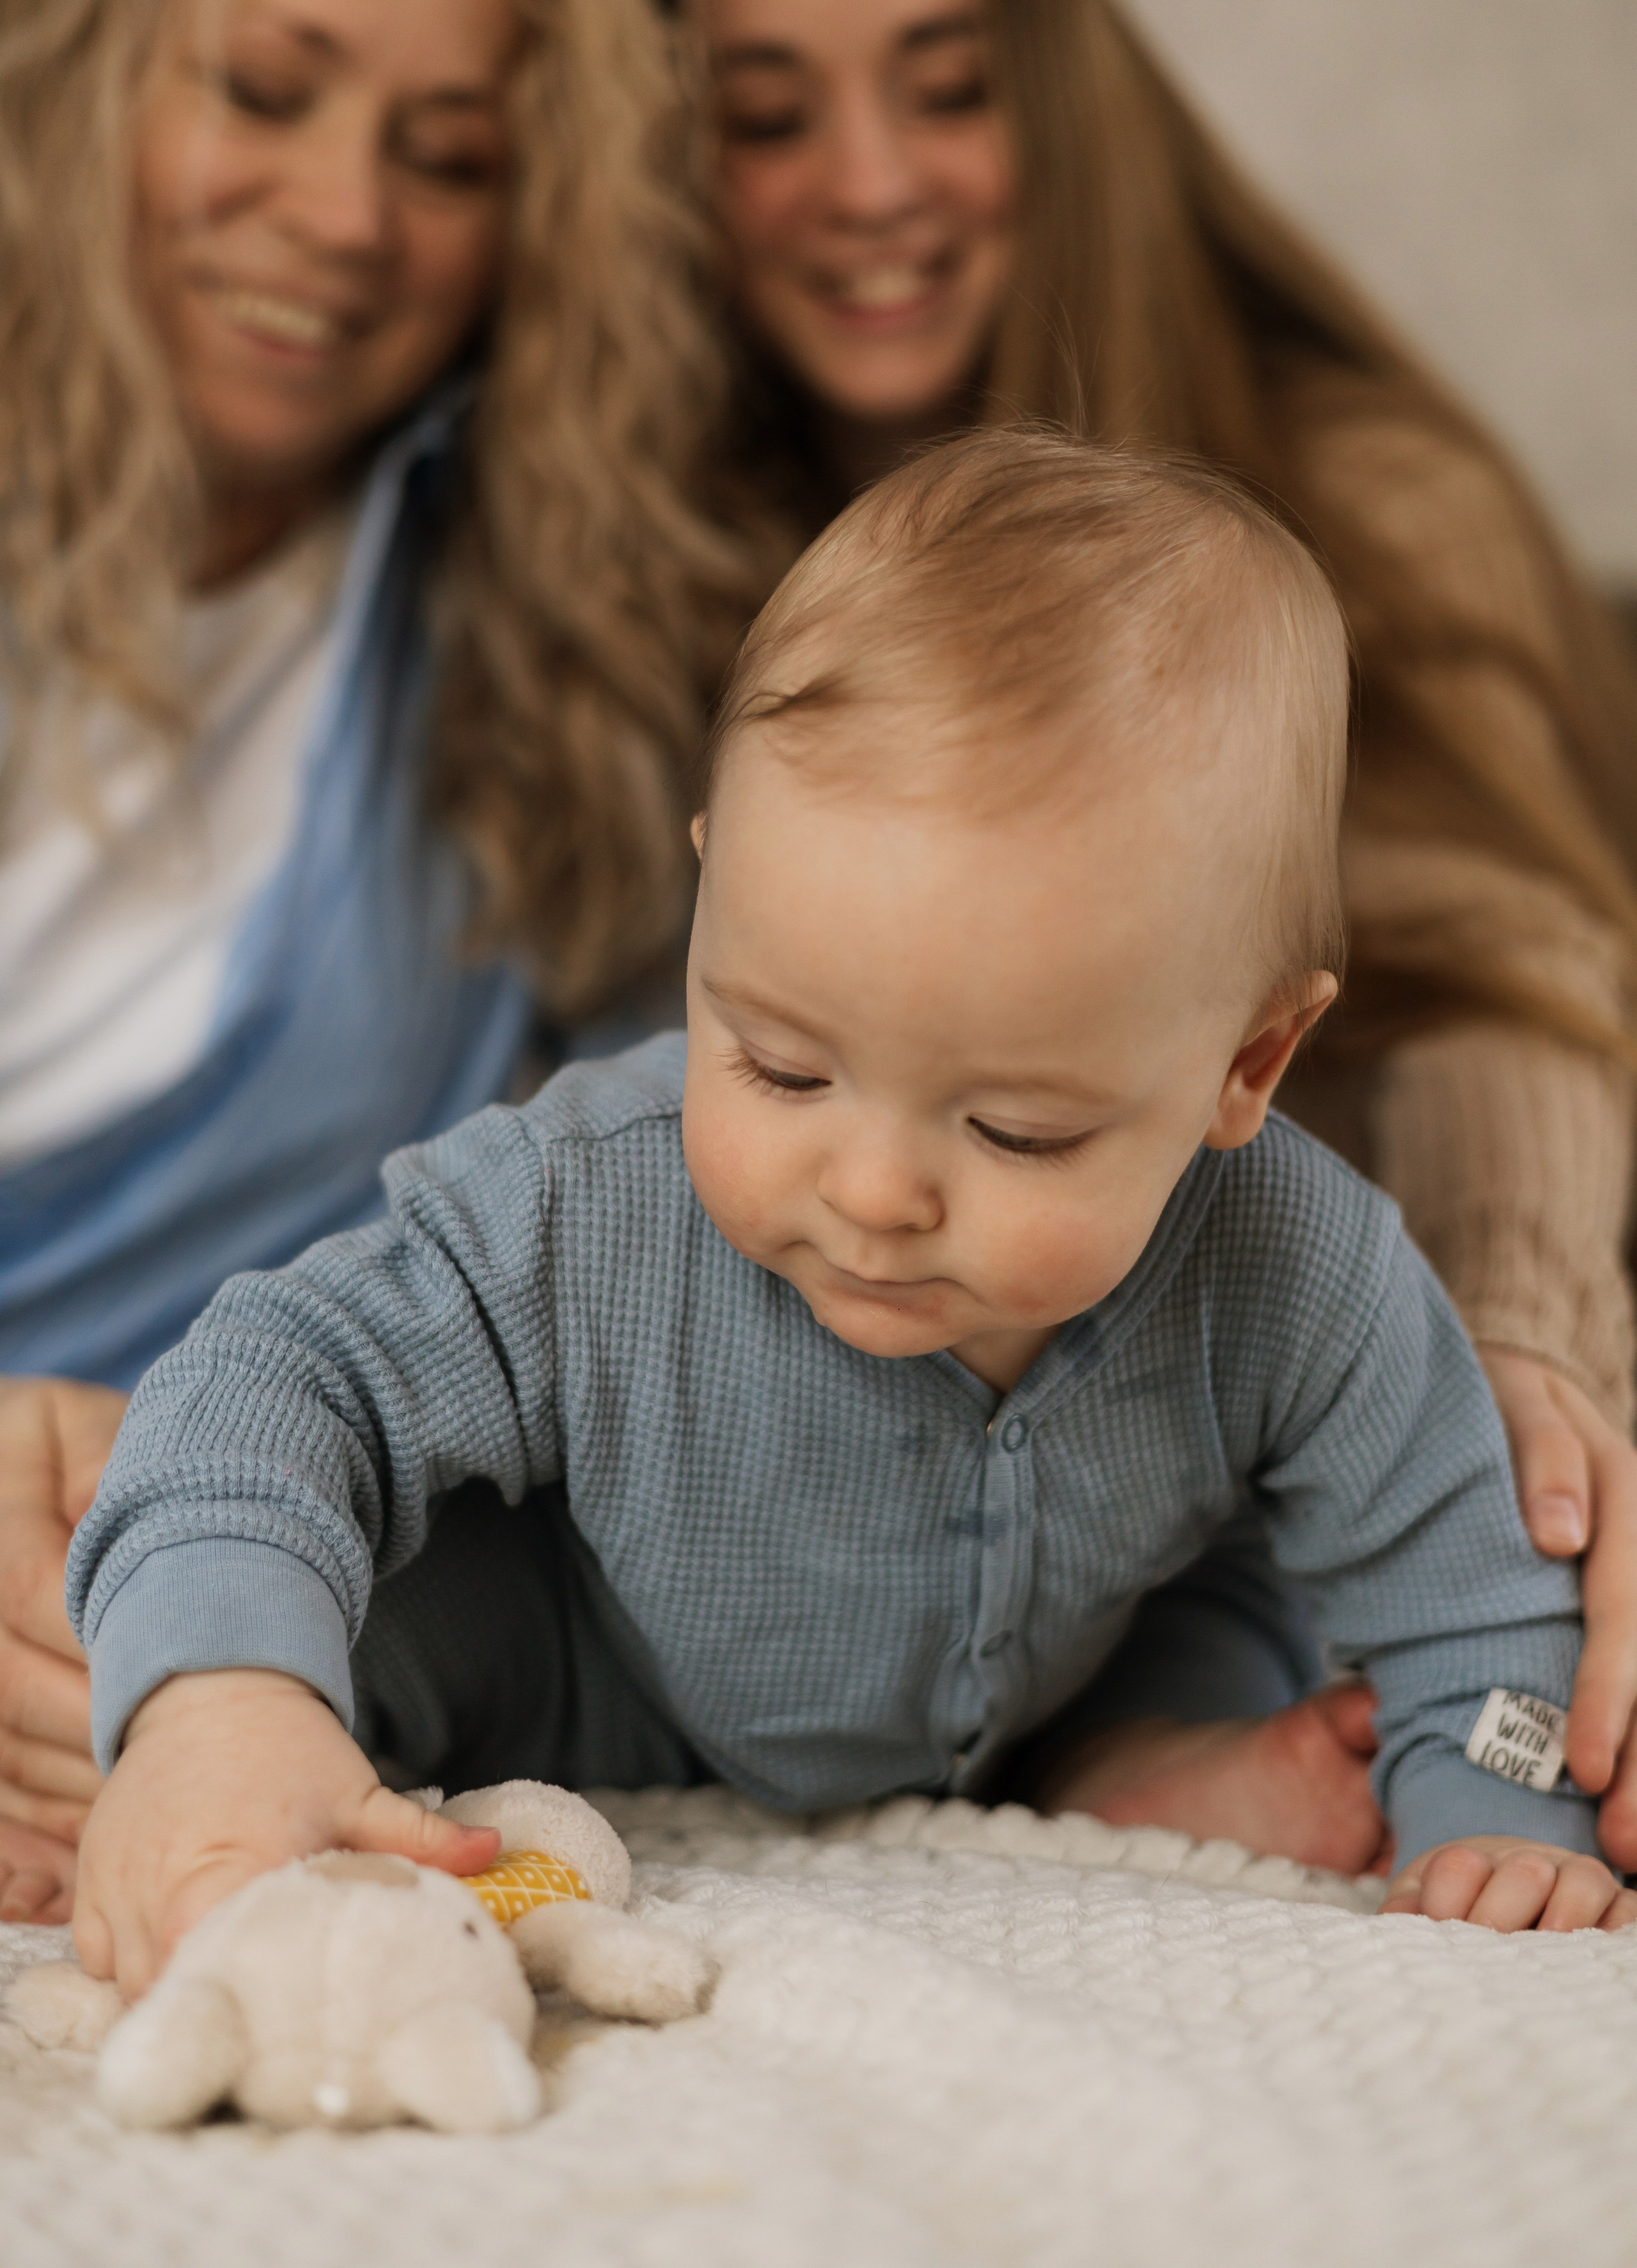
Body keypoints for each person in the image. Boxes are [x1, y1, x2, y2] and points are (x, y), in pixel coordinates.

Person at [69, 432, 1637, 2001]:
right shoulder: (581, 1205)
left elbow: (1464, 1570)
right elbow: (283, 1371)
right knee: (265, 1641)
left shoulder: (1297, 1262)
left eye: (1016, 1129)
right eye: (780, 1063)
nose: (875, 1193)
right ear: (711, 906)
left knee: (1254, 1609)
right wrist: (220, 1702)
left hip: (1058, 1679)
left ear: (1245, 1063)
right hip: (568, 1656)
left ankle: (1122, 1771)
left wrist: (1500, 1821)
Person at [651, 0, 1637, 1859]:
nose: (867, 181)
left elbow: (1507, 973)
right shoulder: (658, 554)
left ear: (1067, 95)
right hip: (977, 1407)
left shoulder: (1350, 493)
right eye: (767, 116)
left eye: (950, 87)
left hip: (1370, 1305)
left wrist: (1522, 1335)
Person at [0, 0, 751, 1921]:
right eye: (262, 88)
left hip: (205, 1598)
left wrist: (198, 1599)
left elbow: (659, 1293)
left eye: (447, 154)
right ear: (74, 60)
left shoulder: (568, 649)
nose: (342, 216)